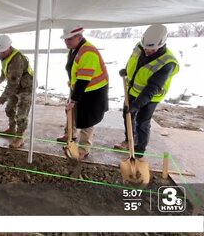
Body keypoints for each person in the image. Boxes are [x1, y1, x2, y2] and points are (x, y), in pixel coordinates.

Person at [114, 24, 179, 159]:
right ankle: (129, 141)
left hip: (150, 96)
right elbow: (134, 60)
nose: (147, 51)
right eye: (146, 48)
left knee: (142, 122)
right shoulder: (140, 46)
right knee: (127, 116)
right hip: (133, 90)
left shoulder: (167, 62)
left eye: (151, 49)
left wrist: (137, 105)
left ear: (161, 45)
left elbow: (152, 88)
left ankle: (139, 150)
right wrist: (126, 70)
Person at [60, 25, 109, 160]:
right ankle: (70, 134)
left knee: (87, 119)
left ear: (79, 37)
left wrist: (74, 99)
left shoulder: (88, 52)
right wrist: (73, 94)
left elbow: (83, 80)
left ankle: (84, 148)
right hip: (79, 88)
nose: (66, 42)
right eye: (65, 39)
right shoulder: (74, 49)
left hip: (93, 90)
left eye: (69, 39)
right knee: (70, 111)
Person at [0, 35, 34, 149]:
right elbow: (5, 68)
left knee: (22, 115)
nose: (1, 53)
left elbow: (12, 84)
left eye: (3, 51)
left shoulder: (17, 60)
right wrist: (1, 78)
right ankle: (12, 129)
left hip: (26, 87)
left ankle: (19, 137)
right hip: (16, 86)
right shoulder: (4, 56)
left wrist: (0, 100)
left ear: (9, 47)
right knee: (9, 109)